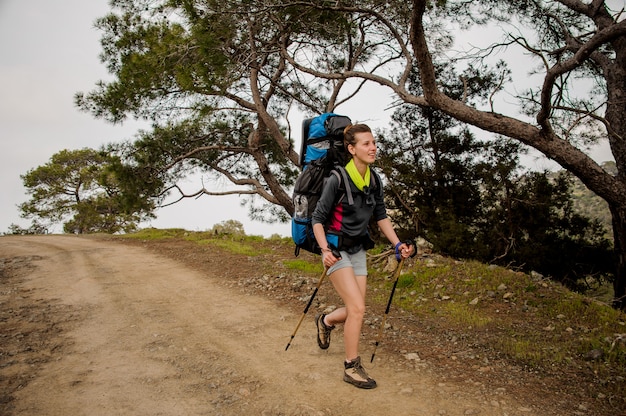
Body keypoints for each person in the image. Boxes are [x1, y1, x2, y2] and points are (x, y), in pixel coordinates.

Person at [311, 123, 414, 389]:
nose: (373, 148)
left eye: (374, 143)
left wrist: (397, 244)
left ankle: (325, 320)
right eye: (366, 144)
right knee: (357, 308)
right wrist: (324, 251)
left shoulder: (374, 179)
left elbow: (381, 216)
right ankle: (351, 367)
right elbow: (318, 219)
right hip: (335, 249)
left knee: (356, 308)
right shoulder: (337, 178)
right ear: (351, 148)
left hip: (357, 249)